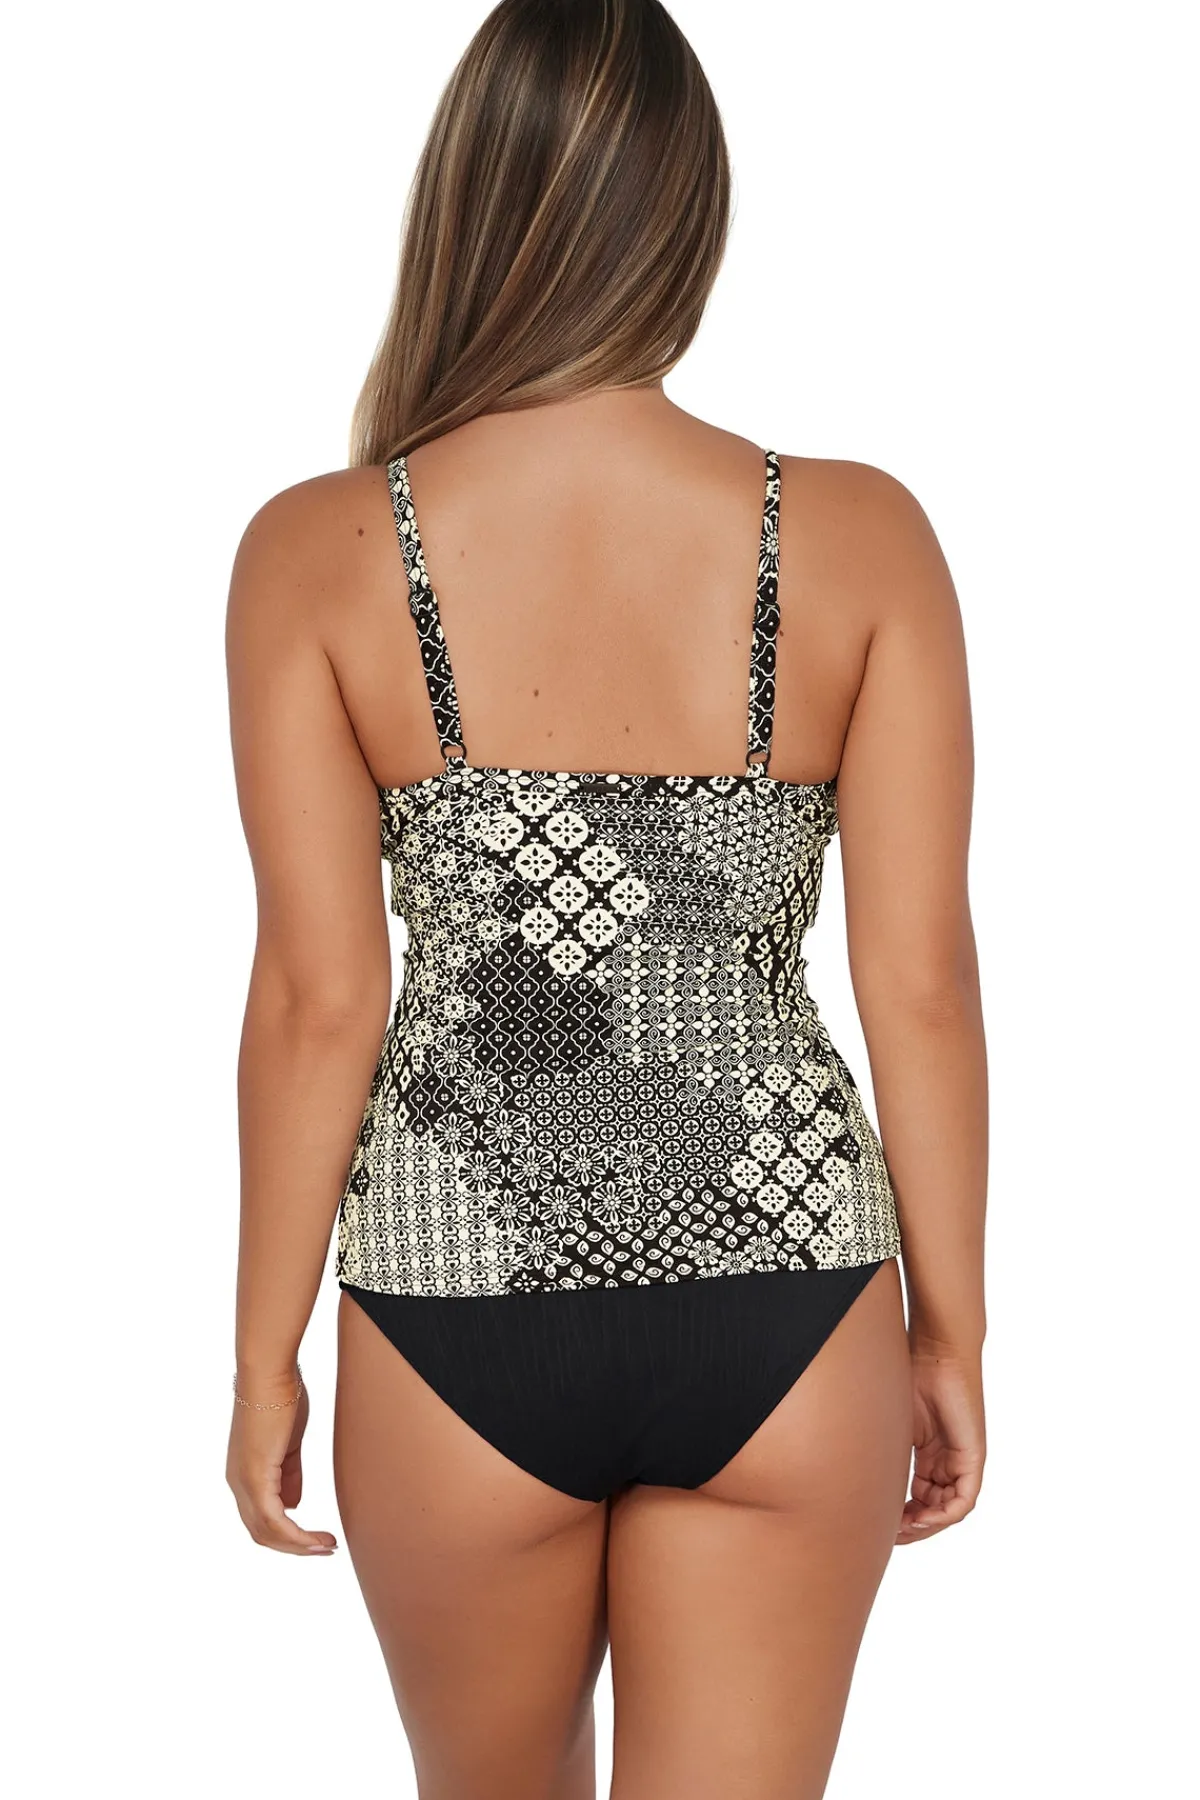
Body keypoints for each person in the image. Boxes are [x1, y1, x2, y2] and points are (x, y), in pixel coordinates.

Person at [223, 1, 988, 1794]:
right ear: (691, 219)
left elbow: (319, 1001)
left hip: (451, 1295)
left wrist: (264, 1351)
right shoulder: (862, 536)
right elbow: (921, 984)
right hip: (788, 1287)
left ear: (465, 205)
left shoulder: (317, 553)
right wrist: (950, 1326)